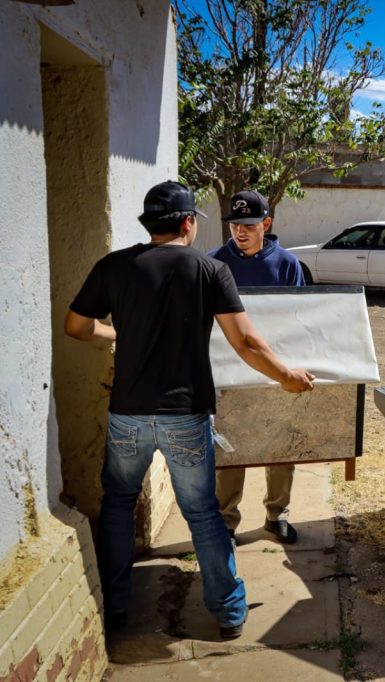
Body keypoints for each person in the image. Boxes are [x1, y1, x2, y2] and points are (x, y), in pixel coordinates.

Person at [64, 181, 315, 640]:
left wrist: (116, 336)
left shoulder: (114, 266)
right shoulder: (210, 269)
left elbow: (76, 326)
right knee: (202, 512)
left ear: (150, 225)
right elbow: (245, 341)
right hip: (186, 413)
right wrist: (285, 376)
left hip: (128, 414)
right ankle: (228, 612)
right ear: (187, 223)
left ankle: (116, 604)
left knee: (118, 505)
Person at [208, 190, 305, 545]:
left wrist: (288, 369)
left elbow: (297, 320)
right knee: (231, 448)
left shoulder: (288, 264)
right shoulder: (214, 262)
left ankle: (277, 515)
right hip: (228, 371)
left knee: (281, 445)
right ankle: (226, 521)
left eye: (248, 224)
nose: (240, 231)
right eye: (235, 225)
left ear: (266, 223)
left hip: (275, 370)